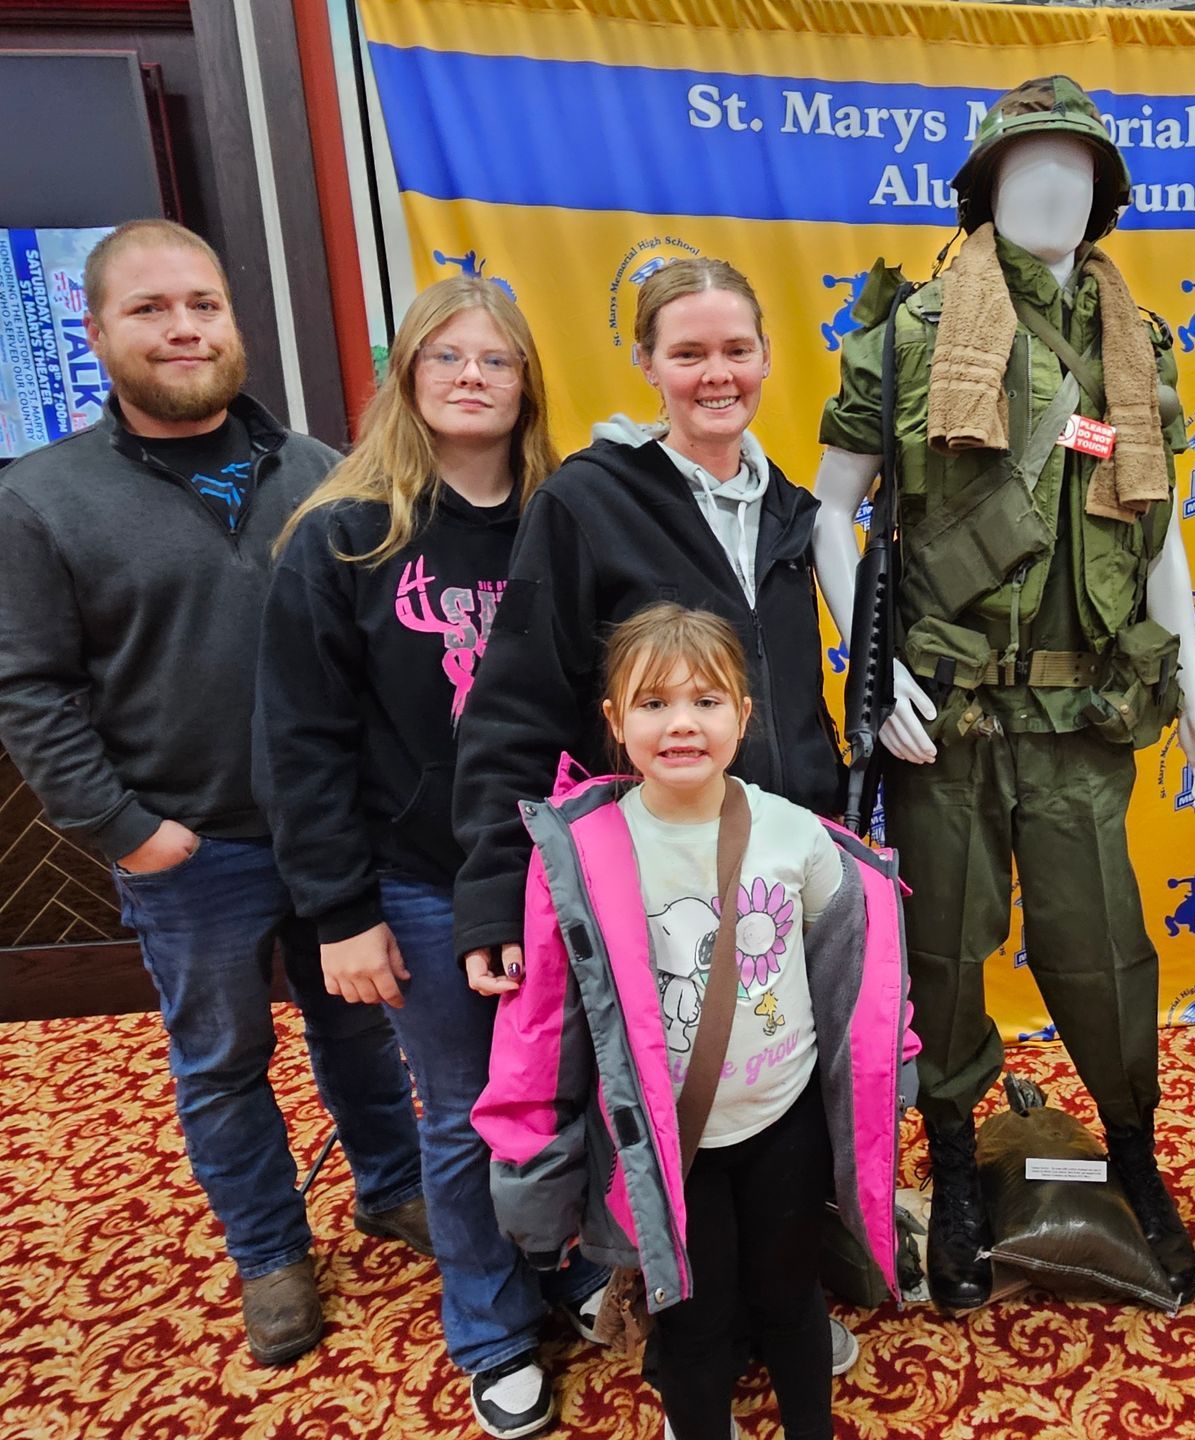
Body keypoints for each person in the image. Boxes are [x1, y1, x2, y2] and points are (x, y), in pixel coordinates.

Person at [814, 74, 1195, 1312]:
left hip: (1086, 719)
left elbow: (1156, 537)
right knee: (939, 959)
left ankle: (1137, 1156)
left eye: (1079, 169)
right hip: (944, 714)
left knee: (1101, 956)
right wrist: (872, 668)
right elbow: (831, 510)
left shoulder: (1138, 345)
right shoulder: (905, 336)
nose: (1054, 186)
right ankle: (948, 1155)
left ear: (1107, 197)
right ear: (982, 189)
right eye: (1026, 167)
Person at [0, 219, 425, 1366]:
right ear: (95, 334)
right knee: (222, 1059)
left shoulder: (321, 471)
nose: (183, 328)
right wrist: (127, 833)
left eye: (203, 304)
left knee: (360, 1034)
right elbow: (29, 690)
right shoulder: (39, 500)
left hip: (334, 834)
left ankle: (392, 1187)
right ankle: (271, 1255)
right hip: (192, 851)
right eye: (149, 309)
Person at [450, 256, 857, 1377]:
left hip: (779, 853)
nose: (716, 374)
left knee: (776, 1093)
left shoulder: (791, 507)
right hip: (652, 870)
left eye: (736, 350)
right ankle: (677, 1318)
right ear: (645, 364)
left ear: (768, 359)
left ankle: (780, 1299)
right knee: (663, 1100)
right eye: (689, 352)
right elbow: (515, 701)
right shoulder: (587, 501)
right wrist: (490, 882)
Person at [256, 276, 607, 1435]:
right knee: (465, 1114)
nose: (471, 376)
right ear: (407, 377)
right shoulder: (344, 539)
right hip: (416, 878)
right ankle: (494, 1326)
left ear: (526, 385)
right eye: (447, 357)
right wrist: (339, 913)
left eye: (496, 360)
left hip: (567, 866)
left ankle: (571, 1266)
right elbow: (300, 742)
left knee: (580, 1092)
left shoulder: (568, 518)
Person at [474, 604, 915, 1440]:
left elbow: (862, 970)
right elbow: (540, 1023)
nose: (682, 723)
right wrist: (528, 1150)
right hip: (667, 1148)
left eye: (707, 700)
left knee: (791, 1300)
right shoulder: (584, 854)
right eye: (653, 703)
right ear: (615, 721)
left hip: (783, 1124)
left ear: (744, 715)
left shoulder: (794, 836)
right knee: (694, 1317)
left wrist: (897, 1065)